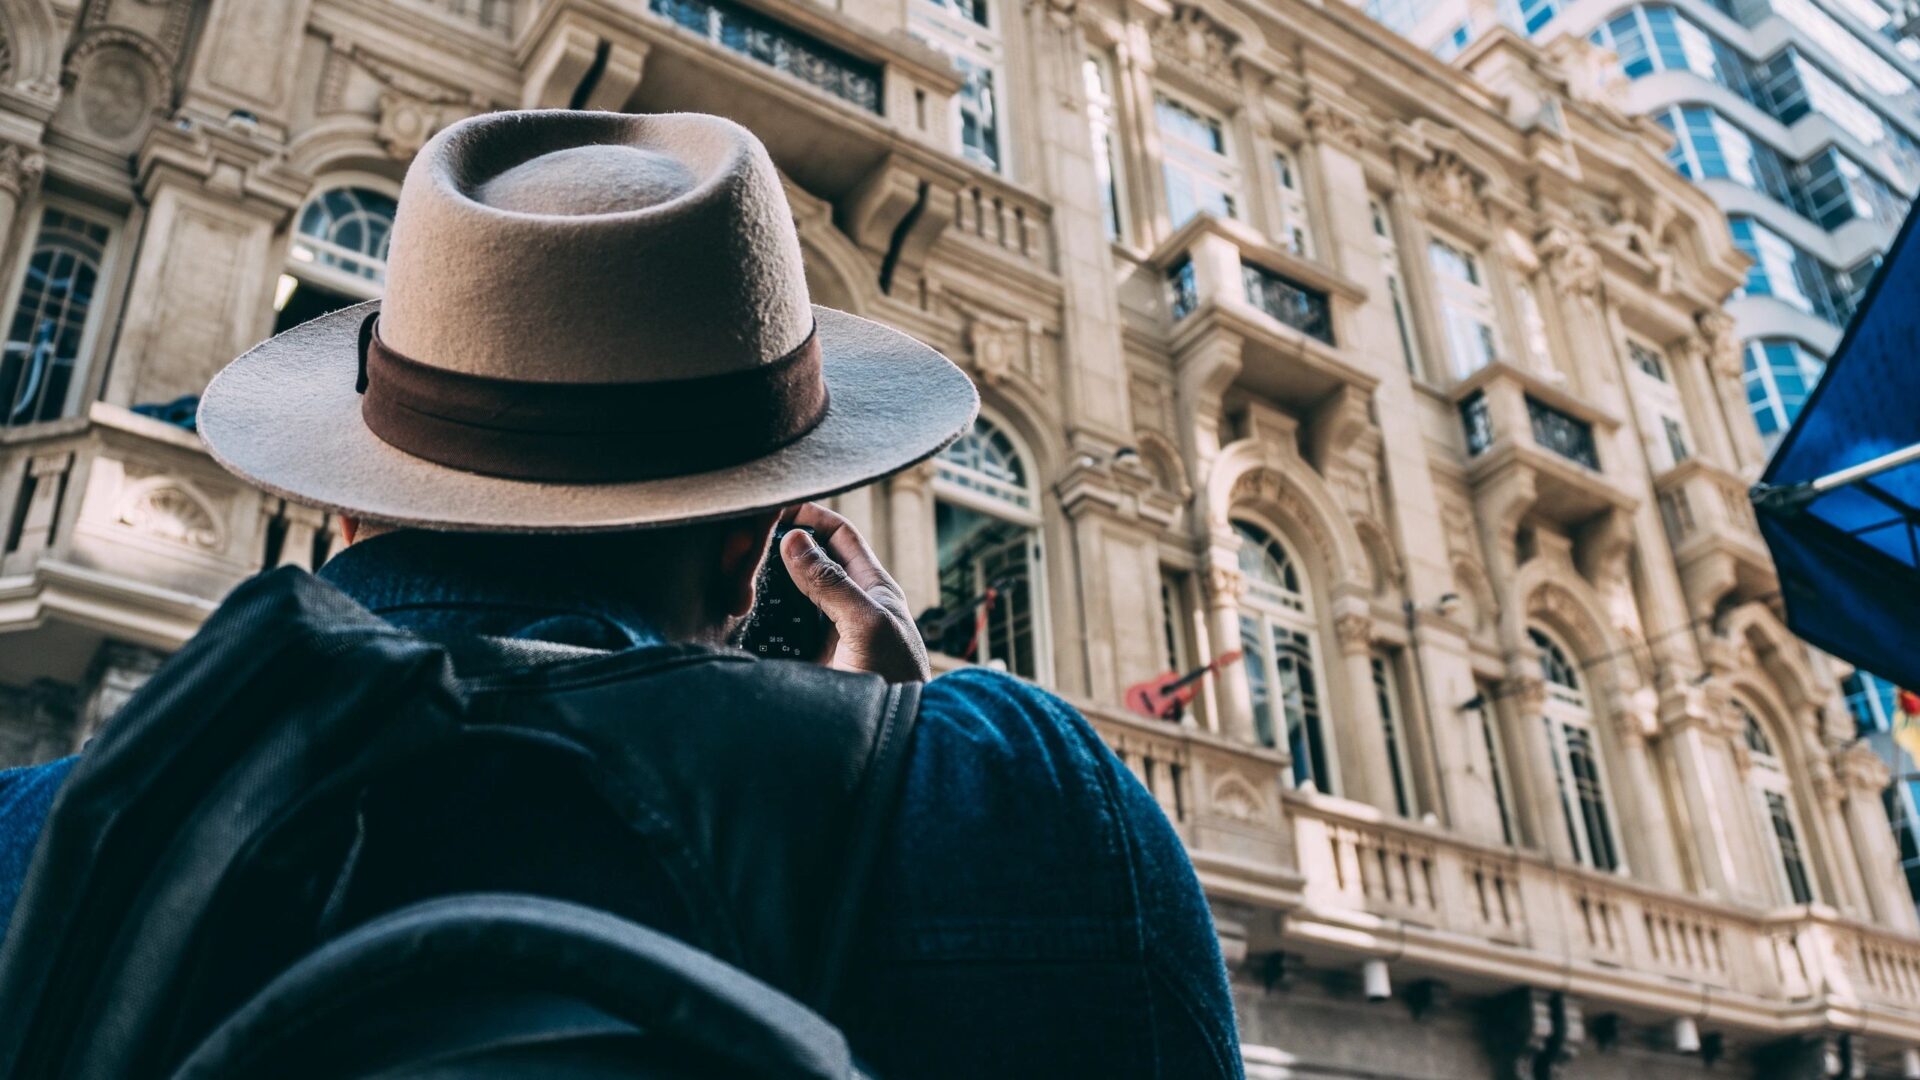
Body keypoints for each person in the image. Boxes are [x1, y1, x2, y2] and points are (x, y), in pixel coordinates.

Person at [0, 109, 1240, 1077]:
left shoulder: (31, 842)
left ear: (345, 502)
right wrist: (904, 780)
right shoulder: (1030, 805)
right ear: (755, 553)